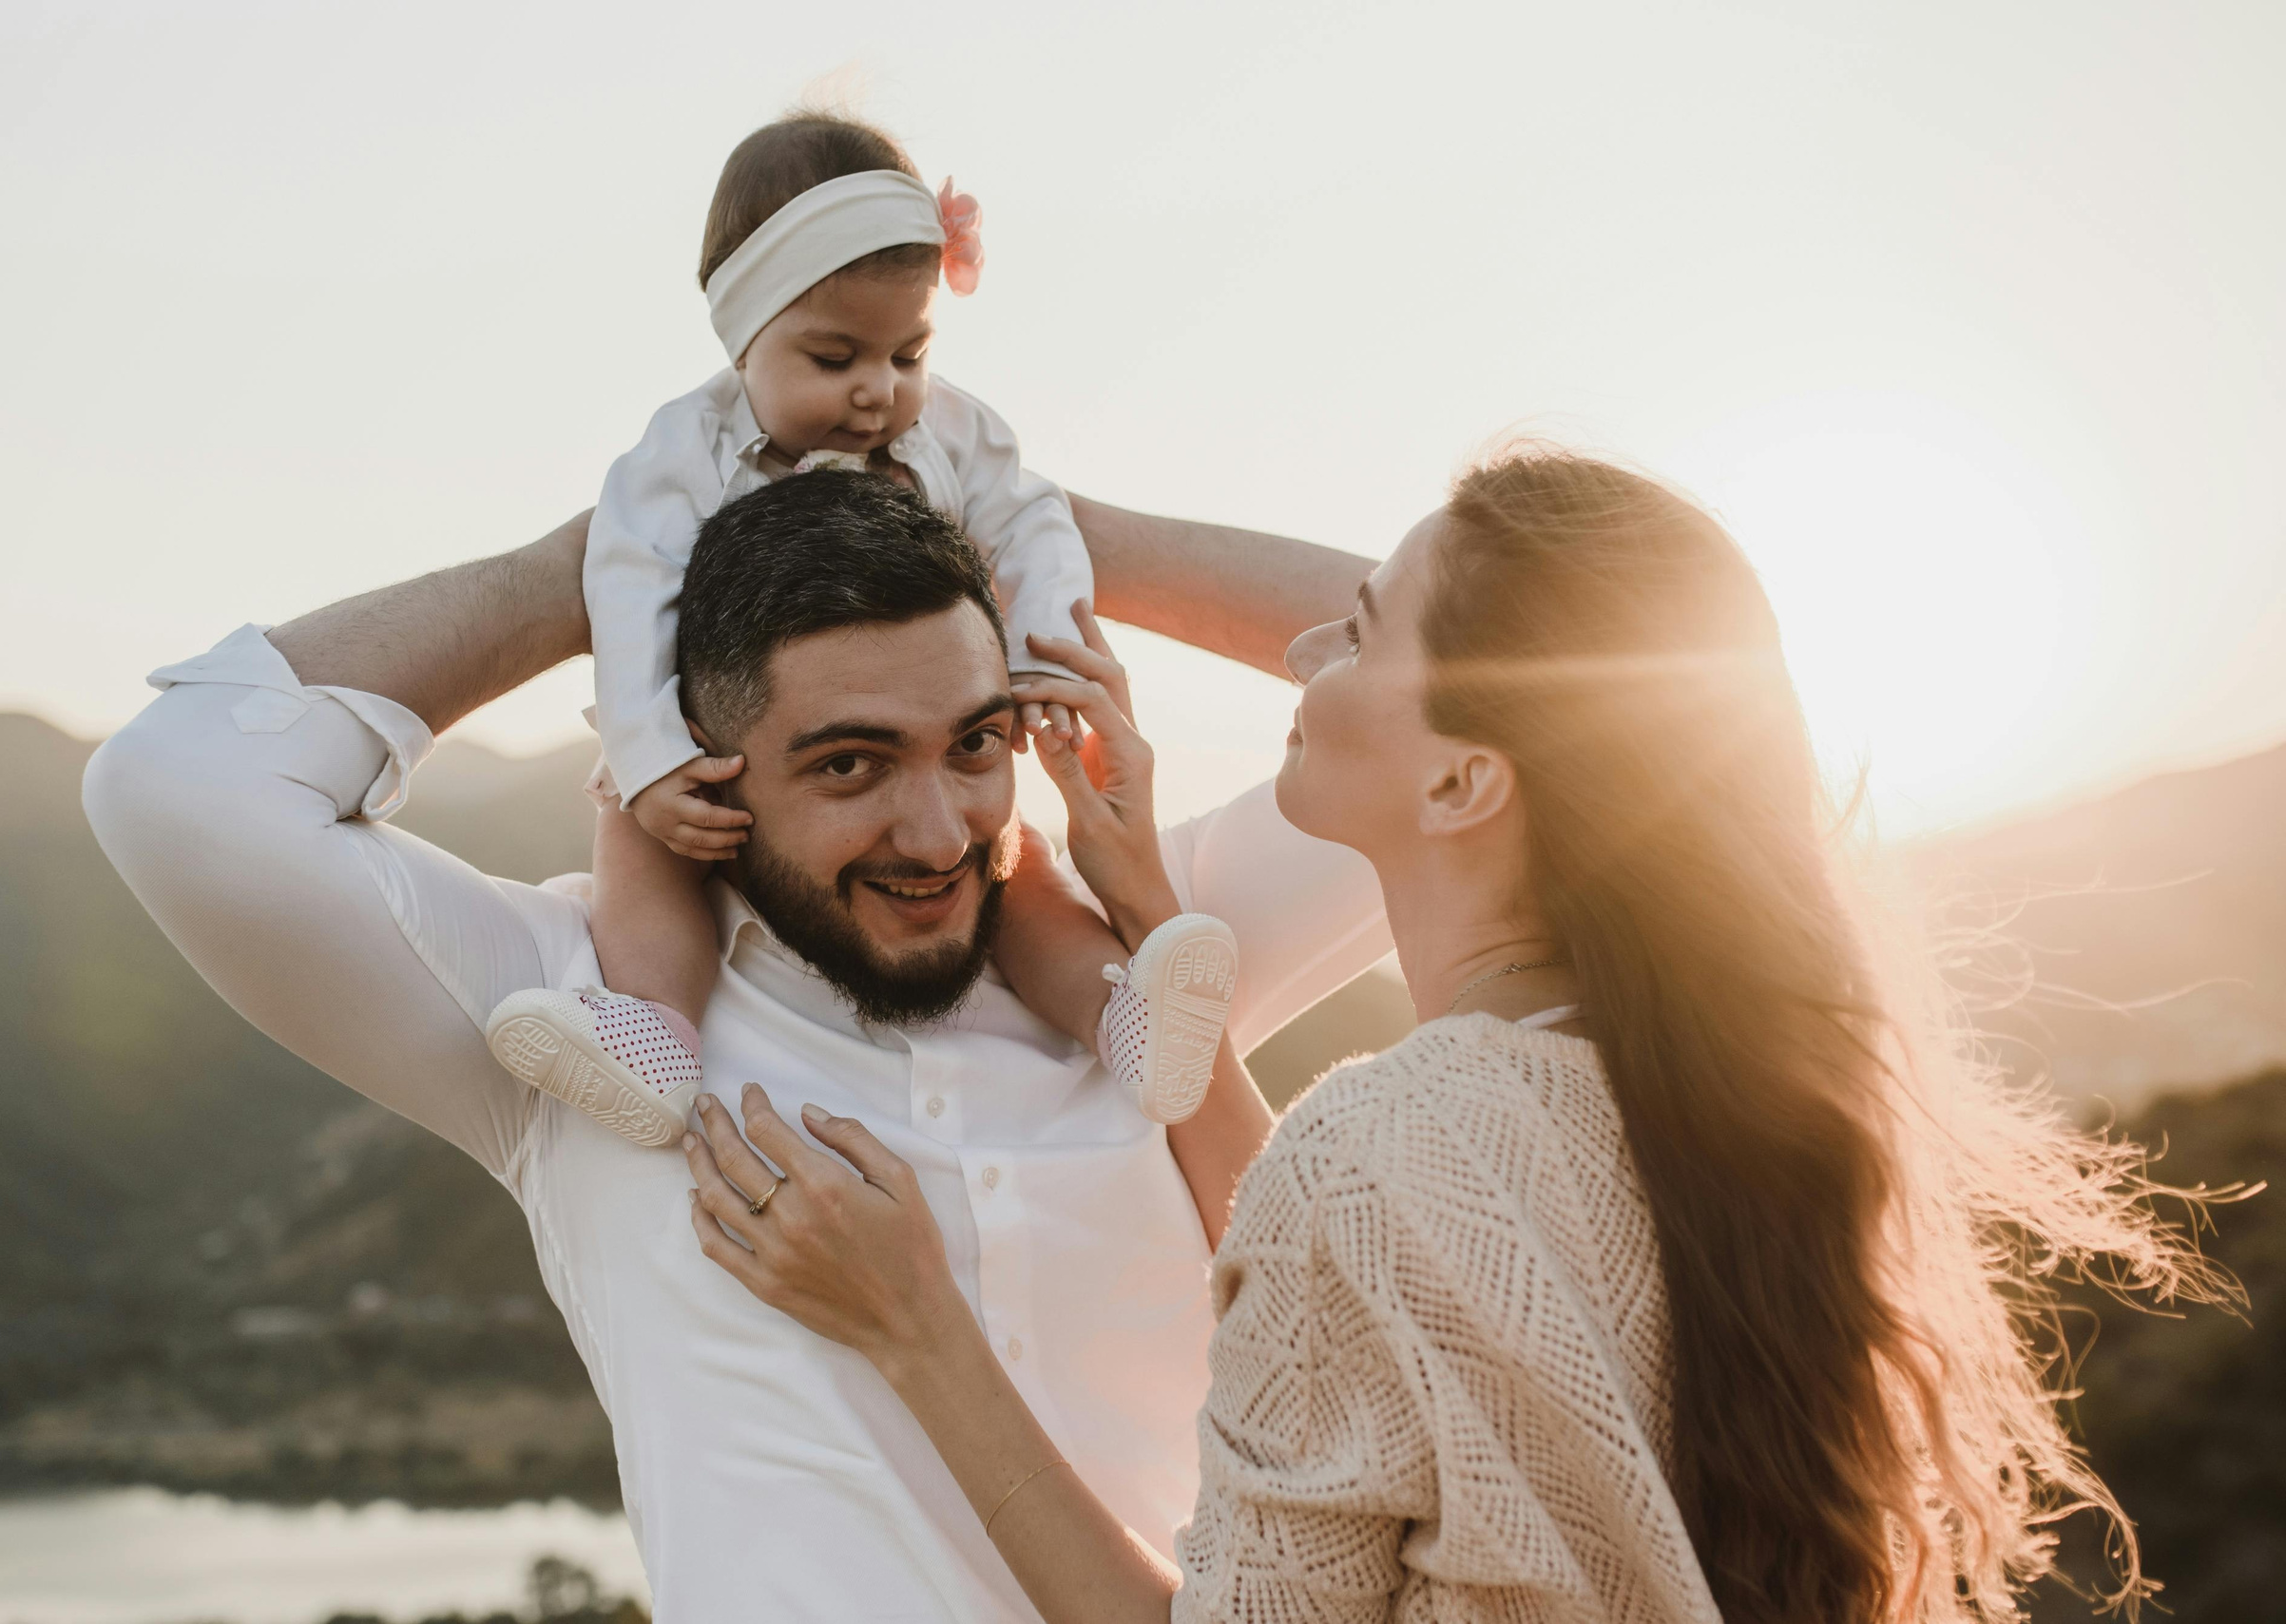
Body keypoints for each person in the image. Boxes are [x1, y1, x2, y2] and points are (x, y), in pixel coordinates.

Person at [680, 448, 2225, 1623]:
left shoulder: (1380, 1161)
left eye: (1356, 637)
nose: (1300, 658)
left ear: (1465, 783)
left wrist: (915, 1329)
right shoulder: (1719, 1108)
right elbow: (1415, 1271)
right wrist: (1146, 897)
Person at [82, 474, 1391, 1621]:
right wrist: (593, 560)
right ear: (702, 772)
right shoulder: (581, 1019)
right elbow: (173, 781)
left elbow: (1489, 682)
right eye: (849, 765)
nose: (938, 833)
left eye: (974, 744)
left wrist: (1040, 520)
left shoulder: (1144, 972)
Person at [507, 108, 1236, 1145]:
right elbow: (627, 593)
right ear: (743, 334)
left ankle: (1122, 1020)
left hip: (906, 735)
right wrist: (653, 755)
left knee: (1010, 873)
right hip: (707, 753)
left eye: (908, 352)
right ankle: (656, 1038)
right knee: (637, 851)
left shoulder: (951, 429)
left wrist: (1040, 647)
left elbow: (1033, 522)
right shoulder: (679, 454)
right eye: (834, 355)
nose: (875, 390)